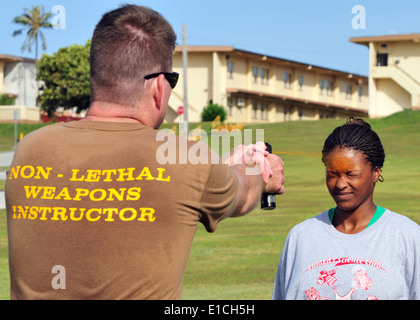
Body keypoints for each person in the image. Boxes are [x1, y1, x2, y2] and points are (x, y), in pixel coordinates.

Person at [5, 5, 285, 300]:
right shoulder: (185, 158)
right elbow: (243, 194)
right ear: (159, 87)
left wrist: (221, 167)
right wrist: (261, 169)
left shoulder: (30, 149)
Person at [272, 118, 420, 300]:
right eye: (332, 174)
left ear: (376, 172)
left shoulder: (408, 237)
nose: (341, 184)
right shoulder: (300, 237)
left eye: (352, 174)